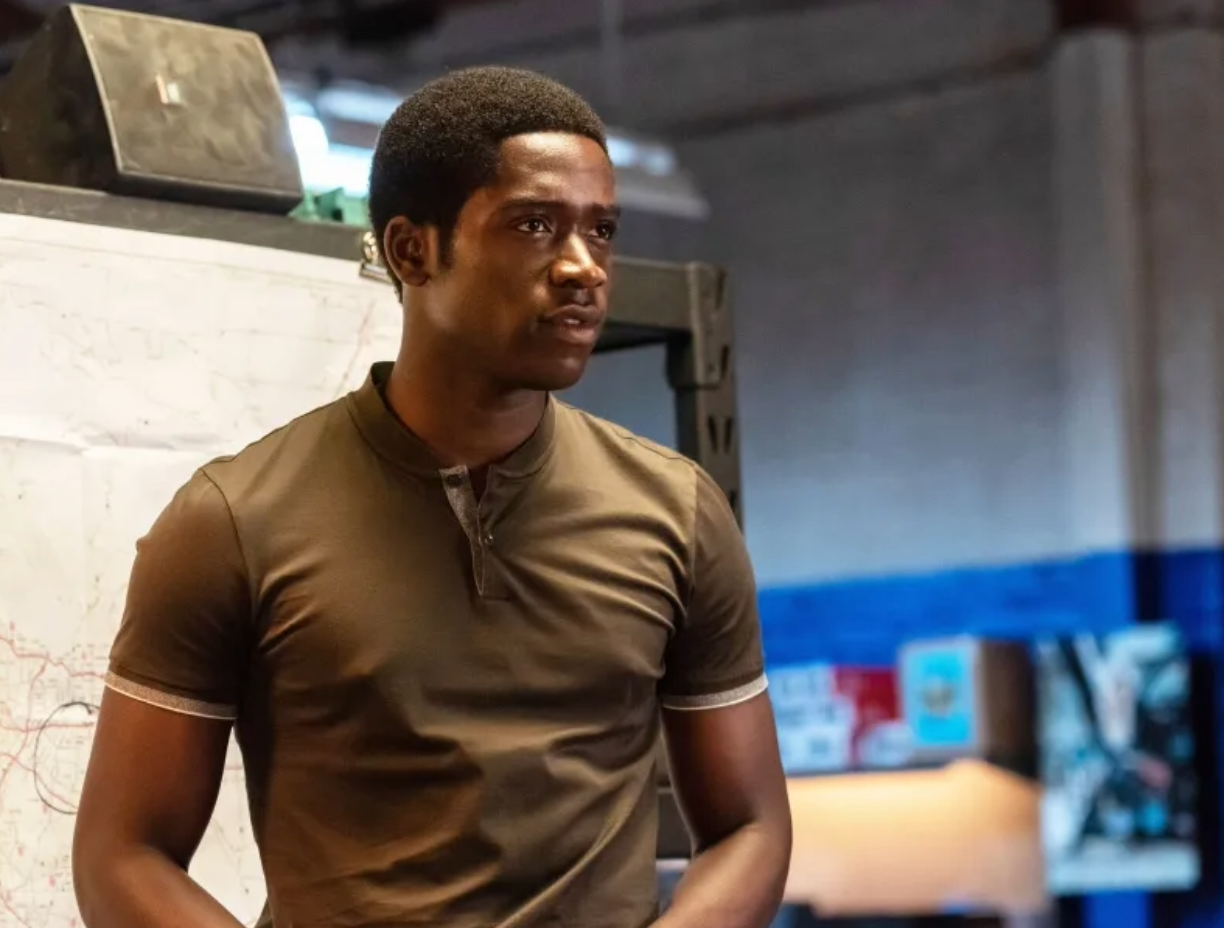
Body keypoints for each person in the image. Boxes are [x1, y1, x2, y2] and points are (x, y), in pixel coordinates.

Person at [71, 65, 792, 928]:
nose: (583, 268)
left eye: (600, 231)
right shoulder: (234, 521)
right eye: (534, 225)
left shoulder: (677, 512)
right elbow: (123, 856)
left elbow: (751, 827)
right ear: (412, 250)